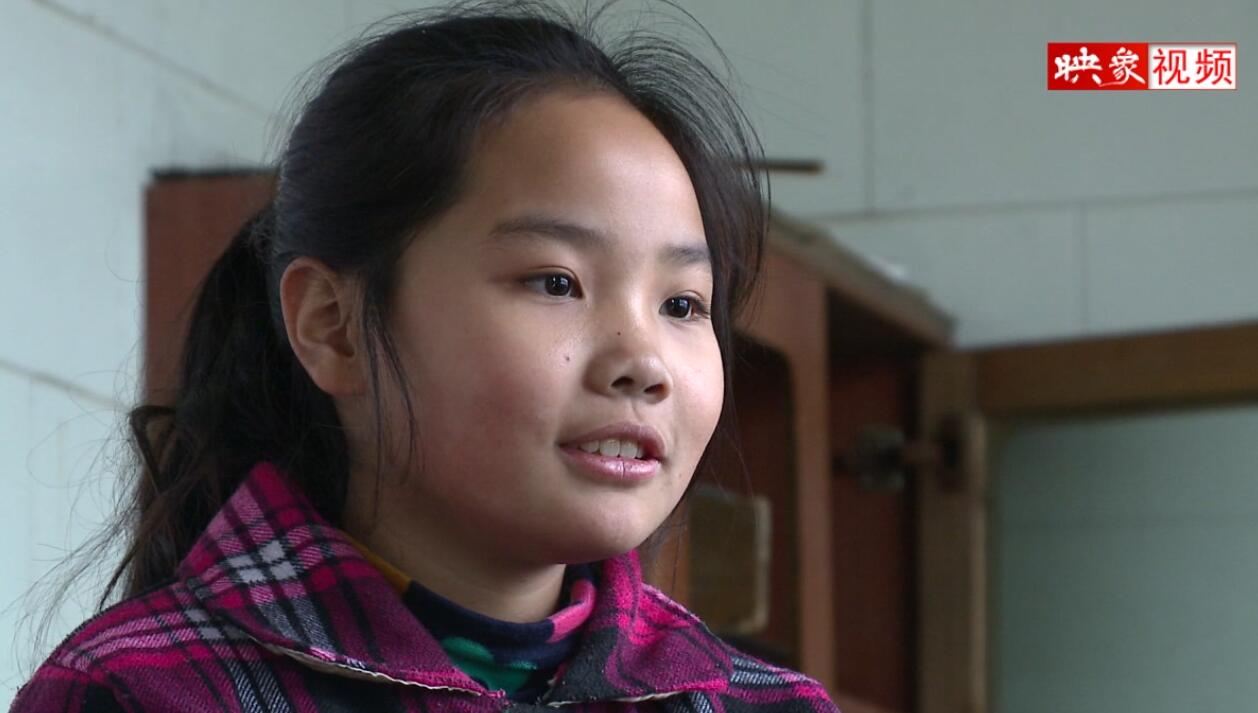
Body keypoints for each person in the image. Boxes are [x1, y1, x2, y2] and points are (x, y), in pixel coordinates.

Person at [11, 1, 839, 711]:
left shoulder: (764, 703)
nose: (644, 363)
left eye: (682, 304)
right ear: (334, 326)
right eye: (556, 282)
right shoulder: (139, 691)